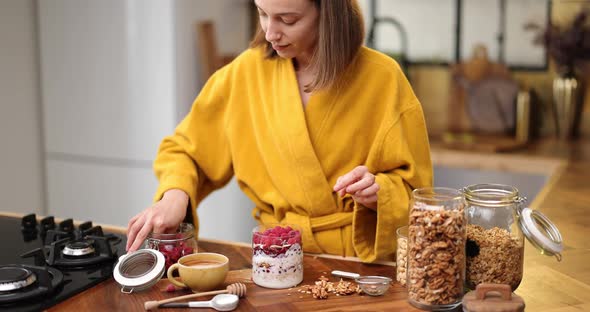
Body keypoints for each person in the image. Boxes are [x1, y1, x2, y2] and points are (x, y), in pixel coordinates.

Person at [126, 0, 432, 263]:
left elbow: (420, 195)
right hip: (274, 259)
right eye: (261, 13)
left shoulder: (383, 79)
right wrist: (174, 195)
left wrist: (379, 193)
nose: (270, 33)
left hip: (361, 267)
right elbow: (185, 151)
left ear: (328, 12)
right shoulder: (244, 74)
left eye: (288, 19)